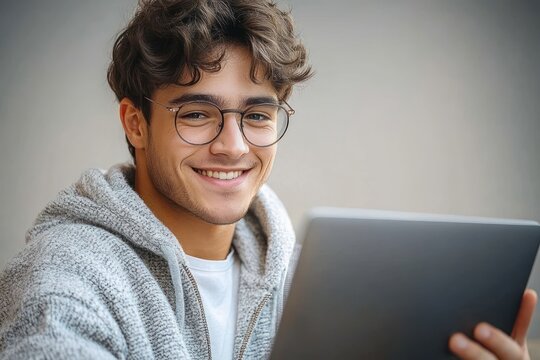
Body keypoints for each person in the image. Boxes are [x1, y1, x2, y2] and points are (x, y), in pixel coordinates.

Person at [0, 0, 536, 359]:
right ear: (135, 123)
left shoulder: (312, 288)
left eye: (256, 116)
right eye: (196, 113)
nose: (233, 146)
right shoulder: (64, 287)